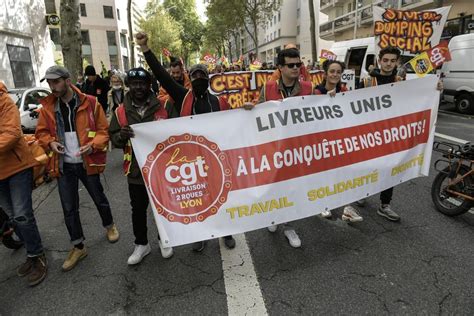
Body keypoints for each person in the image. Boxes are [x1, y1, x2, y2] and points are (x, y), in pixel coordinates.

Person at [135, 31, 236, 252]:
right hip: (191, 161)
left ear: (208, 79)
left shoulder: (220, 101)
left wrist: (250, 110)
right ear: (191, 78)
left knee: (222, 196)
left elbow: (236, 125)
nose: (199, 79)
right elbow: (162, 75)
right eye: (196, 75)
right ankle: (200, 235)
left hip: (216, 159)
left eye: (203, 75)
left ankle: (226, 232)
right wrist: (145, 49)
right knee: (198, 199)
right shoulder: (183, 96)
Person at [36, 65, 119, 271]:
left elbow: (103, 130)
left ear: (67, 80)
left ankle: (109, 226)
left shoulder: (89, 103)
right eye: (49, 82)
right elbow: (41, 133)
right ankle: (78, 245)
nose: (52, 86)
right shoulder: (47, 107)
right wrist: (50, 143)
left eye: (56, 81)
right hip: (63, 164)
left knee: (98, 197)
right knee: (68, 208)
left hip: (86, 162)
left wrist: (93, 145)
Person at [358, 46, 443, 221]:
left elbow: (418, 98)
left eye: (392, 61)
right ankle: (361, 194)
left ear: (397, 62)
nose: (388, 64)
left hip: (392, 134)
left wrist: (435, 88)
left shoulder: (401, 82)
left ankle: (385, 204)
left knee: (390, 168)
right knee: (366, 166)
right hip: (370, 134)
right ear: (379, 61)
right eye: (385, 60)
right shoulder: (367, 81)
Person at [244, 48, 314, 248]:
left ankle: (289, 226)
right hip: (275, 148)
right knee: (275, 185)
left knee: (292, 188)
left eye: (298, 64)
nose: (296, 68)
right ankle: (274, 217)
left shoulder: (308, 87)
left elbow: (318, 112)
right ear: (280, 68)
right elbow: (260, 112)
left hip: (298, 148)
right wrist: (252, 109)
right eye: (291, 65)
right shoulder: (268, 88)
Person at [109, 68, 175, 265]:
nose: (138, 87)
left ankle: (164, 239)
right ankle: (141, 244)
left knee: (162, 207)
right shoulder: (120, 111)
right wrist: (121, 135)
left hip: (162, 169)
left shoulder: (164, 106)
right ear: (129, 85)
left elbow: (178, 130)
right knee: (137, 209)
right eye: (134, 83)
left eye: (142, 83)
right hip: (136, 171)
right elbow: (113, 137)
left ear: (149, 85)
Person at [0, 82, 47, 286]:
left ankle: (38, 256)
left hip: (17, 167)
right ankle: (31, 252)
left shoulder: (4, 102)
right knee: (12, 217)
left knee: (22, 215)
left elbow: (11, 135)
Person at [314, 60, 363, 222]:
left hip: (340, 139)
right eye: (332, 71)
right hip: (321, 141)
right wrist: (327, 100)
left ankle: (347, 208)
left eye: (338, 72)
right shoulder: (317, 92)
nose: (335, 74)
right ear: (325, 74)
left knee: (344, 173)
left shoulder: (344, 90)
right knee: (324, 174)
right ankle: (322, 204)